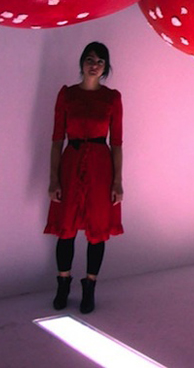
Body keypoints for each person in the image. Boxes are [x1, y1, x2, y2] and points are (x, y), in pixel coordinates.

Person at [44, 41, 124, 314]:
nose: (94, 65)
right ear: (81, 62)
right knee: (65, 229)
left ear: (105, 67)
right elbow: (57, 140)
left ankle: (90, 287)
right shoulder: (67, 95)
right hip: (71, 163)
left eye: (100, 61)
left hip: (101, 167)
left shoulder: (112, 98)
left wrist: (117, 181)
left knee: (96, 232)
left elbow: (117, 143)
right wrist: (54, 179)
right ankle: (63, 284)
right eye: (90, 59)